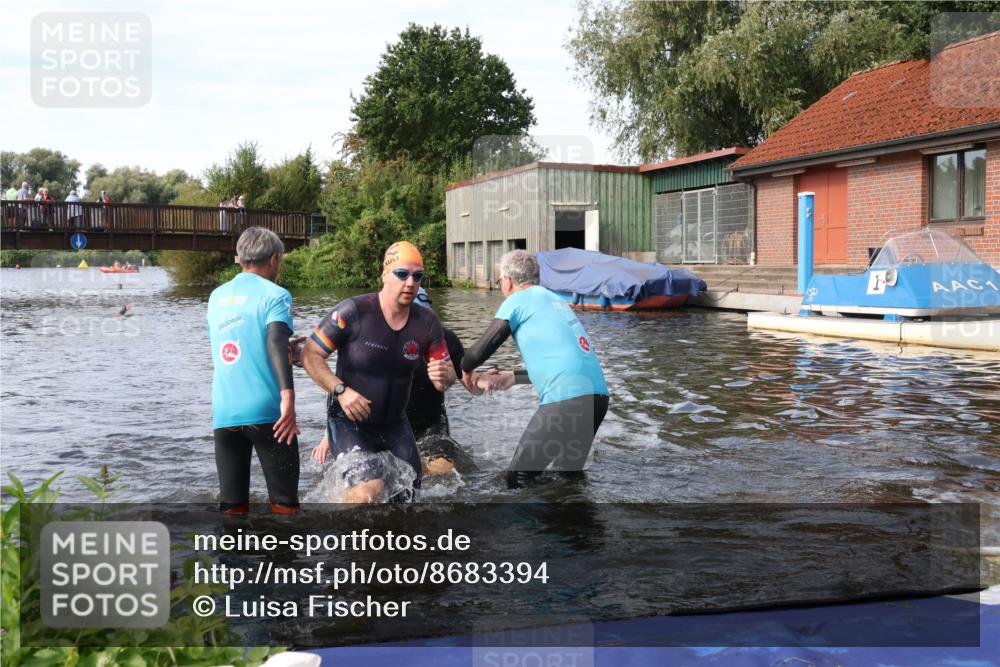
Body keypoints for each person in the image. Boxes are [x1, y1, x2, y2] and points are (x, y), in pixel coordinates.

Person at [301, 241, 455, 503]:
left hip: (395, 424)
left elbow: (449, 374)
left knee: (410, 498)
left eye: (417, 276)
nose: (410, 282)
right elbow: (309, 355)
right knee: (367, 493)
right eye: (402, 274)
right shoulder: (354, 312)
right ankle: (347, 541)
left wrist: (445, 375)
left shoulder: (426, 323)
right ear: (385, 275)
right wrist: (341, 390)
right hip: (350, 423)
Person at [461, 250, 610, 489]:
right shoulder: (555, 301)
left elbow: (477, 353)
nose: (502, 288)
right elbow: (564, 362)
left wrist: (465, 371)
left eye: (501, 283)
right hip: (597, 398)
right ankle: (580, 524)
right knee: (567, 476)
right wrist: (513, 377)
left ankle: (529, 527)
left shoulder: (517, 300)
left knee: (519, 477)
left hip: (567, 400)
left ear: (508, 281)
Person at [312, 287, 474, 477]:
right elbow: (349, 390)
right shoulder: (379, 340)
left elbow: (469, 380)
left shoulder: (446, 341)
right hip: (387, 424)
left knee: (441, 470)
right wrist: (328, 435)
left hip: (429, 426)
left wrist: (493, 381)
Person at [207, 227, 300, 515]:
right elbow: (274, 340)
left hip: (224, 411)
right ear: (274, 259)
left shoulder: (216, 296)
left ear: (241, 259)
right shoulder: (276, 294)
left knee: (232, 509)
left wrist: (284, 344)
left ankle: (232, 559)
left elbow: (236, 344)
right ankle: (284, 558)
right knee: (285, 508)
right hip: (268, 411)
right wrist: (288, 396)